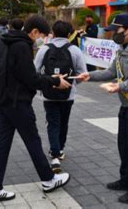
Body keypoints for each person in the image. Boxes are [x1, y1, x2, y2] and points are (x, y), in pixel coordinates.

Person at [0, 15, 72, 205]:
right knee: (32, 140)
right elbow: (31, 79)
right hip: (18, 102)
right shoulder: (22, 46)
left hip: (4, 101)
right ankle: (49, 180)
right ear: (33, 32)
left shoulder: (6, 41)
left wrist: (51, 79)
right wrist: (55, 81)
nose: (42, 39)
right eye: (42, 35)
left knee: (3, 142)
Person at [77, 13, 128, 204]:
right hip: (127, 105)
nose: (113, 34)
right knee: (124, 145)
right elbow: (112, 72)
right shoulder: (122, 49)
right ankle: (126, 180)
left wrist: (121, 86)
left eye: (116, 30)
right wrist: (89, 76)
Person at [34, 20, 87, 174]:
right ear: (69, 34)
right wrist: (71, 84)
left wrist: (47, 82)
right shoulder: (75, 50)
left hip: (48, 93)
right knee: (64, 122)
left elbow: (34, 71)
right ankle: (60, 149)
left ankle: (54, 153)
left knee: (52, 122)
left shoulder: (44, 49)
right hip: (68, 94)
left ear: (53, 33)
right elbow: (82, 73)